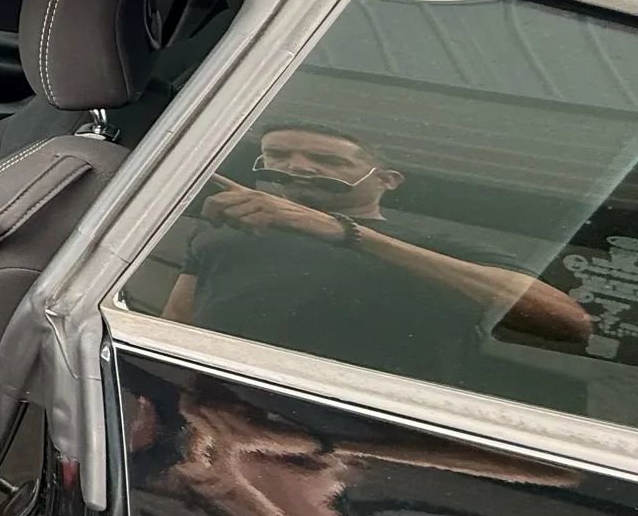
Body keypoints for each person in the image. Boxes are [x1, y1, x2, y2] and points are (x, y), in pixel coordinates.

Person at [163, 122, 592, 390]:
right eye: (279, 155)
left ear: (387, 180)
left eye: (326, 160)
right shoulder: (224, 226)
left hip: (363, 425)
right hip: (216, 406)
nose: (298, 166)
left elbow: (568, 322)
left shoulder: (434, 245)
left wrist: (344, 232)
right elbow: (177, 320)